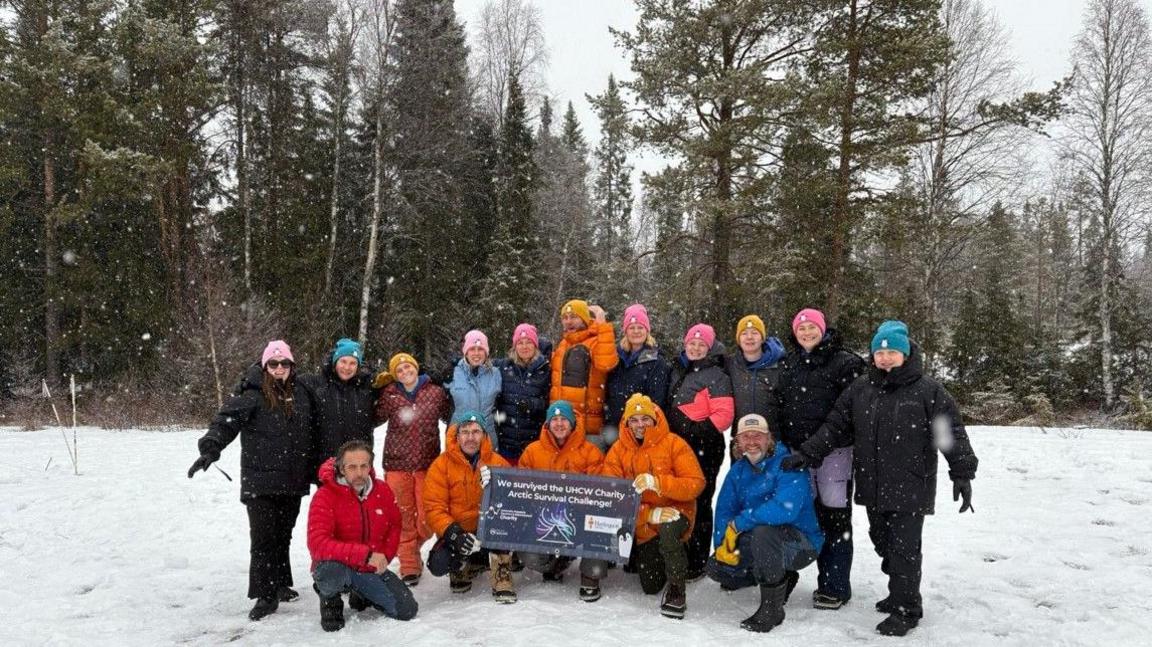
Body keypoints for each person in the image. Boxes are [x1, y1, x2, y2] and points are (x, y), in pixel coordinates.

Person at [783, 320, 979, 637]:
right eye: (880, 352)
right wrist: (808, 453)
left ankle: (907, 608)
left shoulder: (928, 391)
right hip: (873, 486)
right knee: (882, 541)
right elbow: (835, 428)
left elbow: (949, 434)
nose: (885, 358)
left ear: (905, 354)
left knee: (904, 549)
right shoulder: (861, 389)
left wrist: (963, 473)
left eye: (892, 352)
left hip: (911, 485)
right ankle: (898, 591)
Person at [187, 340, 318, 620]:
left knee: (283, 534)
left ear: (292, 366)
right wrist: (211, 447)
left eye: (285, 363)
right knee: (262, 539)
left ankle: (281, 583)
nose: (279, 368)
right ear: (265, 365)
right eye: (274, 363)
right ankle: (265, 595)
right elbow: (225, 421)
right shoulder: (252, 393)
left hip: (292, 479)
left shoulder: (303, 393)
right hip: (260, 481)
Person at [773, 307, 865, 610]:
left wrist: (816, 446)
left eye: (812, 327)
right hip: (798, 454)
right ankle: (787, 576)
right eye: (801, 328)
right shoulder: (790, 362)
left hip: (834, 454)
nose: (807, 332)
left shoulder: (845, 363)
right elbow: (779, 404)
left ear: (823, 329)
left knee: (834, 517)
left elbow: (846, 415)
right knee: (801, 515)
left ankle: (834, 585)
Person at [707, 414, 824, 633]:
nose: (752, 441)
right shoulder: (737, 471)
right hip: (765, 540)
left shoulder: (786, 464)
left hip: (801, 544)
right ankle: (782, 577)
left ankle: (772, 609)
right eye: (745, 436)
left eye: (758, 436)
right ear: (737, 442)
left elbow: (785, 509)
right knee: (717, 569)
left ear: (769, 438)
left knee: (764, 533)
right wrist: (723, 545)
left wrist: (742, 521)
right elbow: (725, 511)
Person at [602, 394, 705, 619]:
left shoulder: (673, 443)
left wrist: (658, 483)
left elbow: (695, 483)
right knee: (650, 586)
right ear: (626, 423)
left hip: (676, 511)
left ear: (655, 418)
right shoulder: (618, 450)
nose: (640, 425)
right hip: (644, 522)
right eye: (634, 419)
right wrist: (649, 513)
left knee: (669, 531)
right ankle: (656, 551)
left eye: (645, 419)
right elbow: (612, 496)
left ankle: (677, 589)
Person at [307, 440, 418, 631]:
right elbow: (318, 543)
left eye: (363, 466)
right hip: (339, 566)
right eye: (352, 467)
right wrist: (365, 555)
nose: (359, 473)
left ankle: (361, 592)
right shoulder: (325, 496)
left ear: (370, 466)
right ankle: (330, 597)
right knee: (329, 571)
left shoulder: (381, 490)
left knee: (406, 609)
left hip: (368, 568)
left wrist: (383, 558)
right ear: (341, 469)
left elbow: (394, 525)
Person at [374, 352, 451, 587]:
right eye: (399, 370)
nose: (405, 372)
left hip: (427, 463)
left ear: (416, 368)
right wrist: (372, 391)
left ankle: (410, 548)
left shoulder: (435, 392)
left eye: (408, 367)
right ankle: (409, 565)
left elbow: (451, 416)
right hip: (397, 464)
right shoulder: (390, 394)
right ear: (395, 376)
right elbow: (373, 418)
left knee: (427, 517)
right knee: (403, 516)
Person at [517, 400, 606, 600]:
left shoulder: (590, 451)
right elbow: (521, 487)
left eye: (564, 419)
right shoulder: (533, 451)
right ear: (547, 424)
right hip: (546, 518)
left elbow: (601, 492)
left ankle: (591, 574)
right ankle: (555, 563)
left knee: (599, 523)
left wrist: (577, 502)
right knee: (528, 554)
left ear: (573, 423)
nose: (559, 424)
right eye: (554, 419)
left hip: (580, 515)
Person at [665, 323, 735, 580]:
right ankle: (675, 550)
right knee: (676, 496)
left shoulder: (716, 374)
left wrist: (694, 428)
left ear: (709, 347)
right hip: (676, 443)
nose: (695, 348)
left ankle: (696, 559)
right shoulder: (678, 368)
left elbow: (724, 415)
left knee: (700, 500)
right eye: (691, 343)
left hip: (703, 445)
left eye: (701, 345)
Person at [423, 412, 515, 602]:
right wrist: (455, 534)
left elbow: (513, 501)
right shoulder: (441, 465)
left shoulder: (498, 463)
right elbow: (434, 507)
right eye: (465, 432)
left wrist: (495, 486)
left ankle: (501, 573)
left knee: (505, 526)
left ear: (484, 435)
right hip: (460, 529)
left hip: (489, 529)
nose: (470, 437)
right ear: (457, 436)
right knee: (438, 563)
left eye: (476, 432)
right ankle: (462, 565)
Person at [301, 338, 378, 475]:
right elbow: (285, 377)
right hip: (327, 464)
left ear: (358, 366)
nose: (347, 367)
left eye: (353, 363)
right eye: (343, 361)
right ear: (335, 361)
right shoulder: (318, 386)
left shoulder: (368, 387)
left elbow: (401, 380)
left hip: (359, 465)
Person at [550, 299, 619, 451]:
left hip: (589, 428)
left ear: (584, 319)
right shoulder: (562, 345)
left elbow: (607, 363)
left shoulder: (595, 341)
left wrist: (602, 323)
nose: (569, 322)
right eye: (565, 318)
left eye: (574, 317)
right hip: (562, 426)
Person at [604, 304, 672, 449]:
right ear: (625, 331)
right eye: (632, 327)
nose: (636, 331)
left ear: (647, 331)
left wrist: (640, 423)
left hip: (639, 429)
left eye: (640, 327)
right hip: (614, 427)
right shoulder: (616, 358)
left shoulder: (656, 361)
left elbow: (657, 400)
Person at [493, 323, 552, 464]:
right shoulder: (503, 366)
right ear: (515, 346)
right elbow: (480, 363)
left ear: (535, 345)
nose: (524, 347)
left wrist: (533, 404)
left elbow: (550, 401)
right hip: (506, 442)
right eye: (520, 343)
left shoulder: (545, 370)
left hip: (532, 444)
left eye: (529, 342)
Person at [725, 314, 786, 431]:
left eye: (754, 333)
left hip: (772, 439)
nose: (749, 337)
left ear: (762, 338)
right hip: (741, 439)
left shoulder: (779, 365)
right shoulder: (731, 365)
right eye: (744, 333)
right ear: (738, 339)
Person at [446, 330, 502, 450]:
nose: (476, 353)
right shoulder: (452, 372)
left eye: (480, 349)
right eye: (472, 349)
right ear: (465, 352)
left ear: (486, 352)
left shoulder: (496, 374)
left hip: (486, 437)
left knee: (485, 469)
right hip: (459, 437)